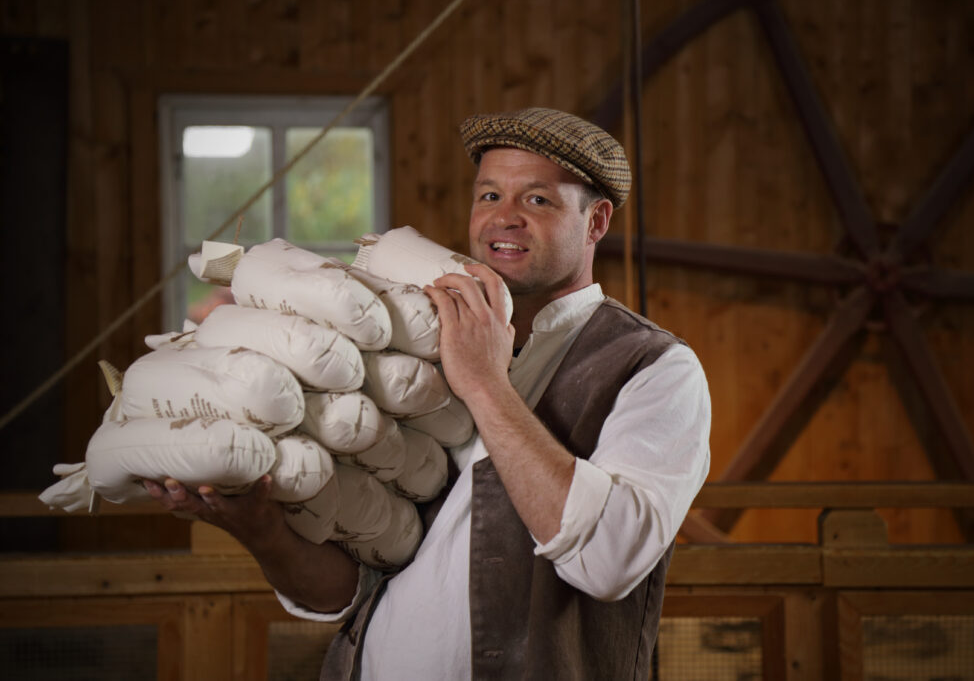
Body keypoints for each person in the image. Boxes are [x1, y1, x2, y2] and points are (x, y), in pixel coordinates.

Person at [144, 107, 711, 680]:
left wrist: (485, 383)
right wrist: (261, 530)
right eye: (489, 195)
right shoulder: (411, 344)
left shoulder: (656, 368)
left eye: (537, 200)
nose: (504, 219)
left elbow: (610, 560)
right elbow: (347, 592)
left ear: (596, 222)